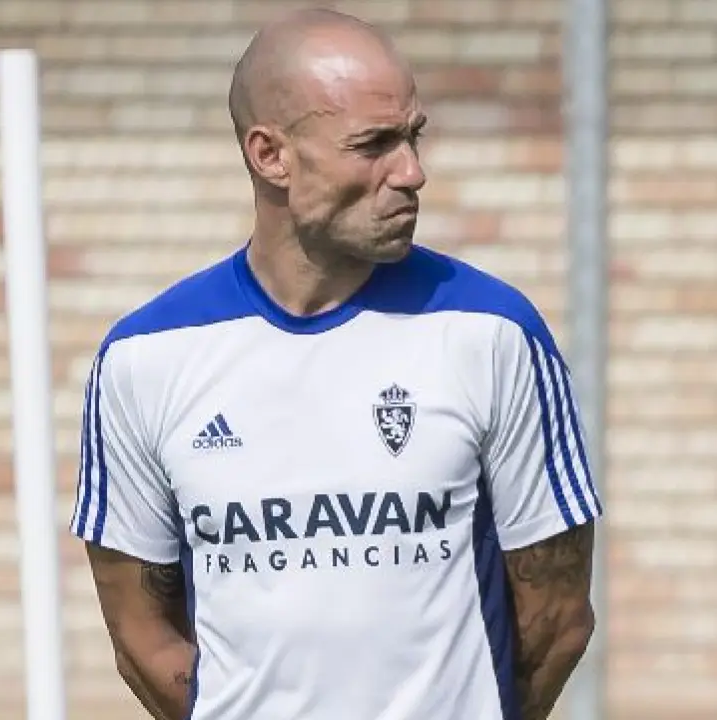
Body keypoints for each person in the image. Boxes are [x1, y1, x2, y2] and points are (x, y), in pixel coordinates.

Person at [68, 8, 601, 720]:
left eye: (412, 137)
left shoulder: (491, 333)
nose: (411, 172)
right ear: (270, 155)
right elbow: (140, 636)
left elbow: (558, 620)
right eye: (373, 144)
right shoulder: (146, 358)